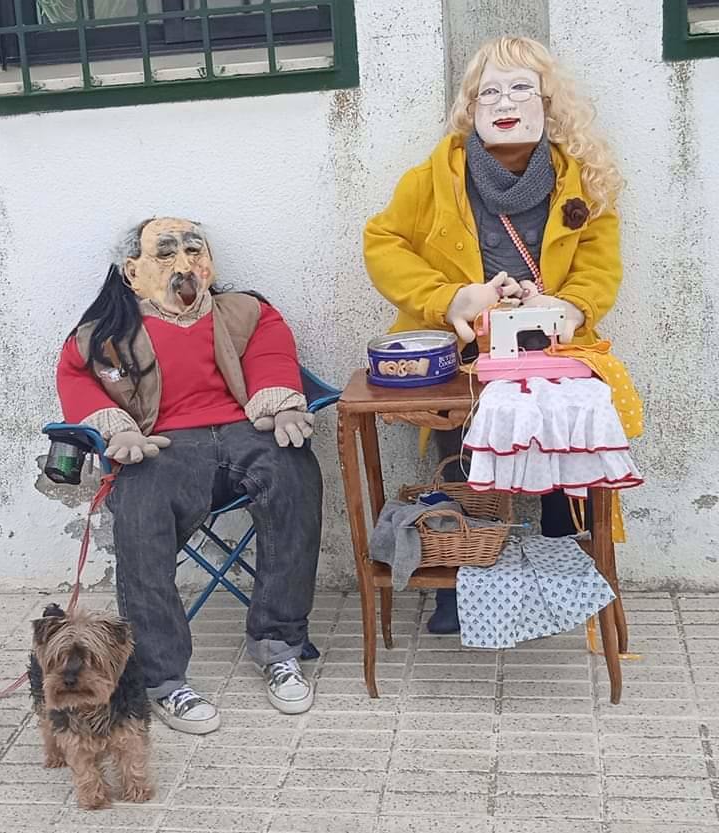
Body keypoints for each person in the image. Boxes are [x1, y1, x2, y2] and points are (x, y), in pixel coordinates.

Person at [363, 36, 625, 633]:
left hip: (548, 347)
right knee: (461, 453)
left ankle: (566, 570)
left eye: (520, 88)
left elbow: (600, 265)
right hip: (460, 353)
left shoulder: (582, 180)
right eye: (489, 92)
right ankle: (460, 581)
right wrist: (451, 298)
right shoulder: (435, 175)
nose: (504, 102)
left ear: (549, 103)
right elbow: (382, 241)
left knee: (561, 442)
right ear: (470, 107)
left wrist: (568, 306)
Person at [56, 217, 322, 733]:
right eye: (166, 253)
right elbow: (76, 375)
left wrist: (282, 401)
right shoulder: (106, 334)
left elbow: (271, 351)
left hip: (245, 428)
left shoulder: (245, 311)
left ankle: (279, 644)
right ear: (132, 272)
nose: (184, 265)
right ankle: (162, 678)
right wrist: (116, 429)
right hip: (163, 443)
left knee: (294, 472)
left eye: (194, 250)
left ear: (211, 263)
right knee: (138, 506)